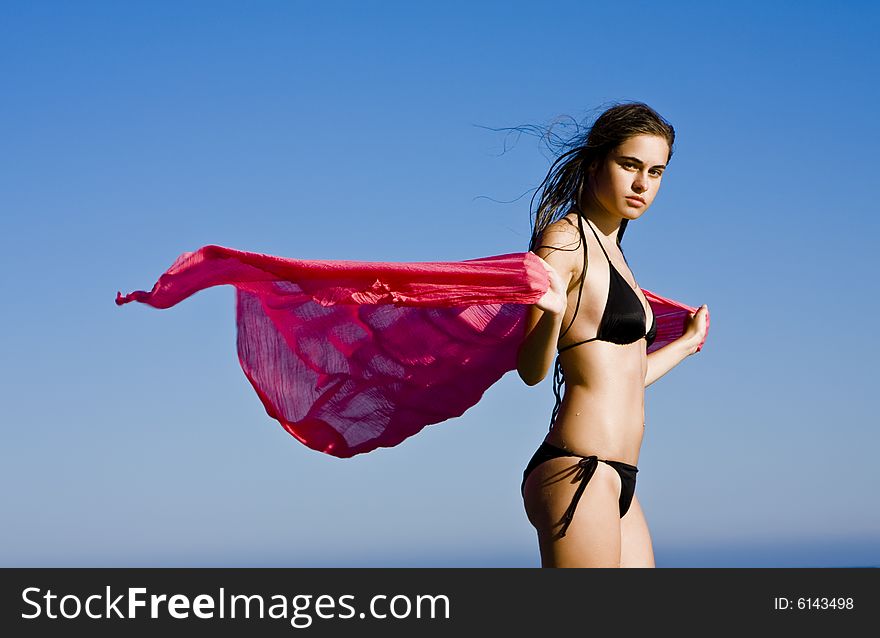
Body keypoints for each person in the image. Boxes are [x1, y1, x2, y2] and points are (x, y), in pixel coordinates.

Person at [516, 102, 709, 568]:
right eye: (630, 165)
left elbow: (624, 375)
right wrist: (553, 311)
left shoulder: (616, 253)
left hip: (620, 476)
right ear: (595, 162)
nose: (644, 184)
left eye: (657, 172)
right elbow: (530, 369)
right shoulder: (564, 241)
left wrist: (684, 344)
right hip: (578, 467)